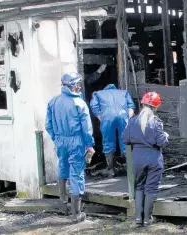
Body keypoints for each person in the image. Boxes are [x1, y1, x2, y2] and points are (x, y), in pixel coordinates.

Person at [45, 72, 95, 222]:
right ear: (73, 86)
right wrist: (89, 145)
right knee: (76, 174)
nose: (79, 86)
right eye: (78, 84)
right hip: (76, 142)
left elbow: (48, 125)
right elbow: (86, 128)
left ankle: (62, 204)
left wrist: (57, 139)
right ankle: (76, 214)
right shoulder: (79, 104)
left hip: (60, 141)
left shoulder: (53, 101)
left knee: (62, 168)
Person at [123, 91, 169, 227]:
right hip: (154, 158)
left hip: (137, 158)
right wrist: (165, 136)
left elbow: (125, 139)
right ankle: (147, 219)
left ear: (142, 104)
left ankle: (138, 218)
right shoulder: (156, 122)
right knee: (151, 188)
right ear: (155, 107)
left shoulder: (132, 121)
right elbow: (162, 142)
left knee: (139, 186)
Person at [90, 83, 136, 177]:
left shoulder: (98, 94)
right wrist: (128, 119)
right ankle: (130, 169)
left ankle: (110, 169)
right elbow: (131, 106)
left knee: (108, 142)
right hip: (123, 115)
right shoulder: (124, 92)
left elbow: (94, 107)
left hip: (107, 117)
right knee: (125, 141)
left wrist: (102, 118)